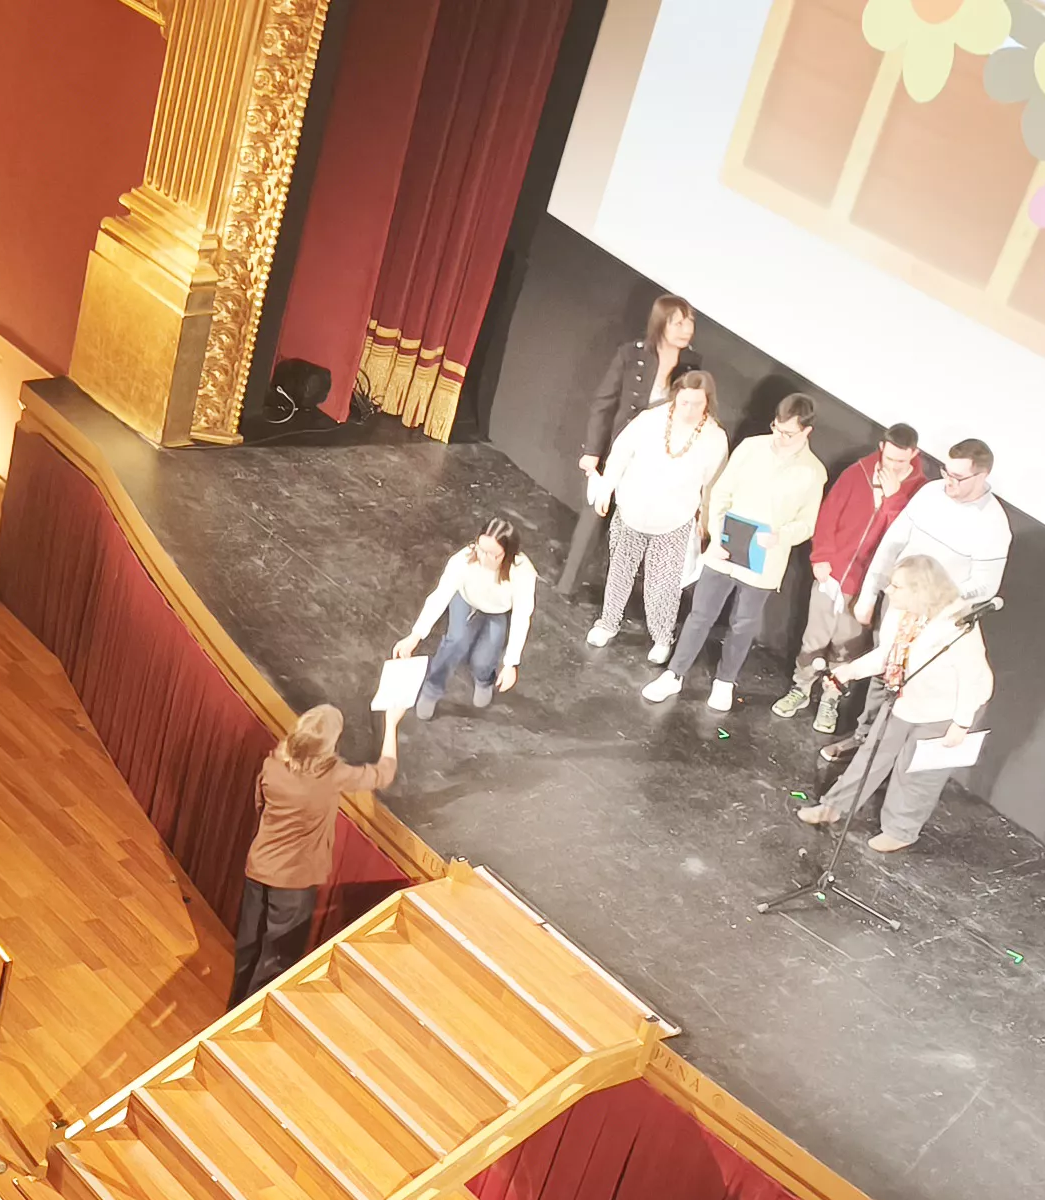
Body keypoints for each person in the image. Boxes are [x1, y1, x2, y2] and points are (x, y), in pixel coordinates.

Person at [794, 553, 991, 856]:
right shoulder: (901, 613)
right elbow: (887, 654)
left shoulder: (957, 626)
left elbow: (972, 677)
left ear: (920, 590)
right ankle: (834, 806)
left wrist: (962, 722)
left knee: (915, 774)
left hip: (946, 710)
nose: (889, 590)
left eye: (897, 586)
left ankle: (901, 831)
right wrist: (849, 671)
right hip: (905, 697)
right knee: (872, 754)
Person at [657, 393, 829, 713]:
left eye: (788, 433)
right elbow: (721, 492)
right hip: (724, 547)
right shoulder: (751, 447)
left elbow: (807, 524)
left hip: (764, 559)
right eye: (776, 427)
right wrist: (716, 533)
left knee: (743, 624)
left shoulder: (812, 472)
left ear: (807, 431)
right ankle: (674, 674)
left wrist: (781, 536)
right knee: (700, 615)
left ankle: (725, 681)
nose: (779, 436)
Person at [772, 423, 934, 734]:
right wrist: (821, 557)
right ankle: (800, 688)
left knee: (846, 648)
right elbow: (828, 515)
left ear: (914, 454)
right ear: (882, 447)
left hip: (868, 587)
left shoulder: (919, 492)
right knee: (814, 639)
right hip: (832, 576)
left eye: (901, 461)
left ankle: (830, 698)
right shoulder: (857, 473)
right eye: (889, 458)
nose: (892, 466)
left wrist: (892, 499)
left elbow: (903, 538)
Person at [230, 703, 396, 1005]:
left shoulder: (273, 765)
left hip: (259, 868)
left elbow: (259, 806)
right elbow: (382, 775)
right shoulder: (332, 775)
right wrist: (392, 725)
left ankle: (234, 1009)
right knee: (276, 960)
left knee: (249, 947)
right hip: (294, 882)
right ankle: (248, 1018)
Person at [564, 293, 698, 596]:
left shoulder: (692, 366)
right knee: (594, 517)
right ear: (661, 323)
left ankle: (615, 597)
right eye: (678, 323)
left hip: (656, 459)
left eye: (689, 322)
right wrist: (592, 451)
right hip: (618, 449)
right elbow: (604, 403)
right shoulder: (631, 354)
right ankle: (568, 585)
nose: (686, 329)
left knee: (632, 531)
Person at [586, 368, 724, 663]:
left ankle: (662, 637)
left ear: (707, 403)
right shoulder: (651, 420)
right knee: (620, 571)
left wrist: (707, 522)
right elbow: (621, 453)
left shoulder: (714, 438)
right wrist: (606, 488)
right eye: (684, 402)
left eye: (697, 404)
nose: (689, 410)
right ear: (676, 397)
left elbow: (714, 486)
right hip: (631, 510)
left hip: (673, 520)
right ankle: (608, 623)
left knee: (663, 584)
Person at [393, 521, 534, 723]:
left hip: (496, 611)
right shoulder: (463, 560)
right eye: (481, 549)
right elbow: (440, 595)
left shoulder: (522, 573)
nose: (483, 557)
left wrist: (511, 663)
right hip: (467, 600)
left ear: (508, 554)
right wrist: (415, 635)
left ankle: (484, 679)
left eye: (492, 554)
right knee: (455, 641)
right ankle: (432, 689)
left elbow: (522, 616)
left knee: (485, 657)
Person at [857, 435, 1008, 623]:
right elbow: (891, 544)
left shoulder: (994, 523)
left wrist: (937, 599)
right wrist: (868, 596)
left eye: (958, 477)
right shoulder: (930, 492)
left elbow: (986, 586)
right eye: (946, 472)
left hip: (938, 619)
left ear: (981, 476)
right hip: (895, 606)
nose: (948, 481)